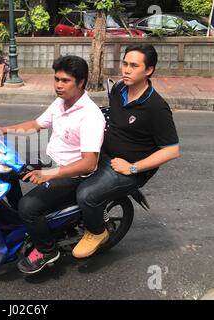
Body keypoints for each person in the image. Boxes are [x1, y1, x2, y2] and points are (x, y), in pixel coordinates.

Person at [0, 55, 106, 274]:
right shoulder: (61, 103)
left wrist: (49, 174)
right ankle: (23, 225)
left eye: (65, 81)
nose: (59, 85)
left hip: (72, 175)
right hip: (52, 162)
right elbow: (36, 124)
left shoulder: (90, 116)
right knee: (7, 171)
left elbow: (89, 164)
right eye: (56, 79)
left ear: (80, 83)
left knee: (27, 207)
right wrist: (3, 130)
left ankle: (46, 249)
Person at [72, 44, 180, 259]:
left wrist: (132, 167)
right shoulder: (119, 88)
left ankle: (97, 232)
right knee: (67, 173)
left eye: (133, 66)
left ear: (148, 70)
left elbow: (171, 151)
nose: (126, 70)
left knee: (86, 195)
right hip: (104, 154)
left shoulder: (156, 108)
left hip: (126, 169)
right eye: (125, 64)